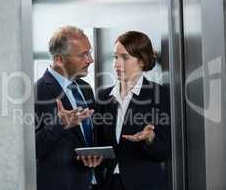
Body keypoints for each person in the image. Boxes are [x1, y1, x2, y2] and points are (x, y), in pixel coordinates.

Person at [94, 31, 171, 190]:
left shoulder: (159, 94)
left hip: (145, 184)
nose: (117, 64)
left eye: (125, 57)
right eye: (115, 57)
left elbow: (164, 152)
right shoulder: (103, 96)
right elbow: (99, 143)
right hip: (109, 184)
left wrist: (150, 138)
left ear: (142, 61)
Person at [35, 26, 102, 190]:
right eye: (83, 55)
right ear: (59, 59)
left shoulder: (85, 88)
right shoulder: (36, 92)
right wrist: (59, 124)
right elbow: (30, 150)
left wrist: (95, 153)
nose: (90, 60)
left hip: (93, 182)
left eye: (89, 52)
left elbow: (90, 134)